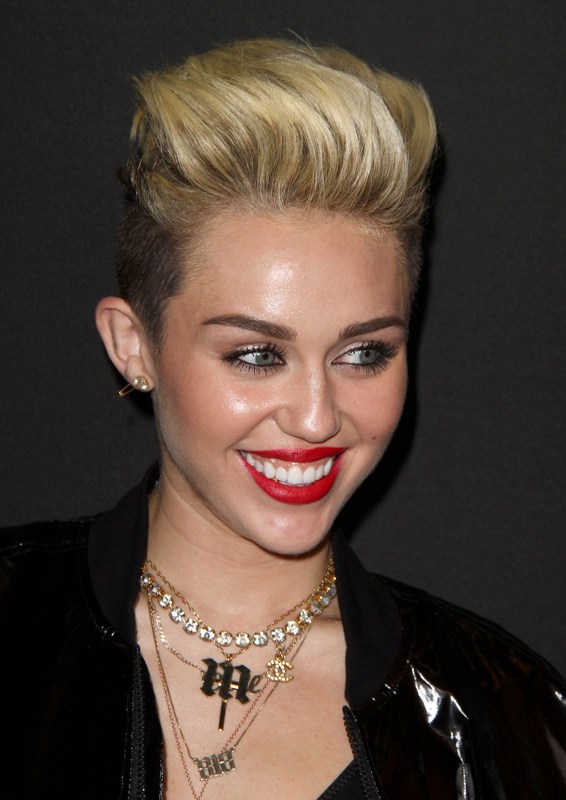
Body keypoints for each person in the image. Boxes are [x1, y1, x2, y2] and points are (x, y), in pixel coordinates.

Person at [1, 38, 565, 800]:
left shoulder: (507, 719)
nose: (316, 418)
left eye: (363, 354)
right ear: (133, 346)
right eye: (257, 355)